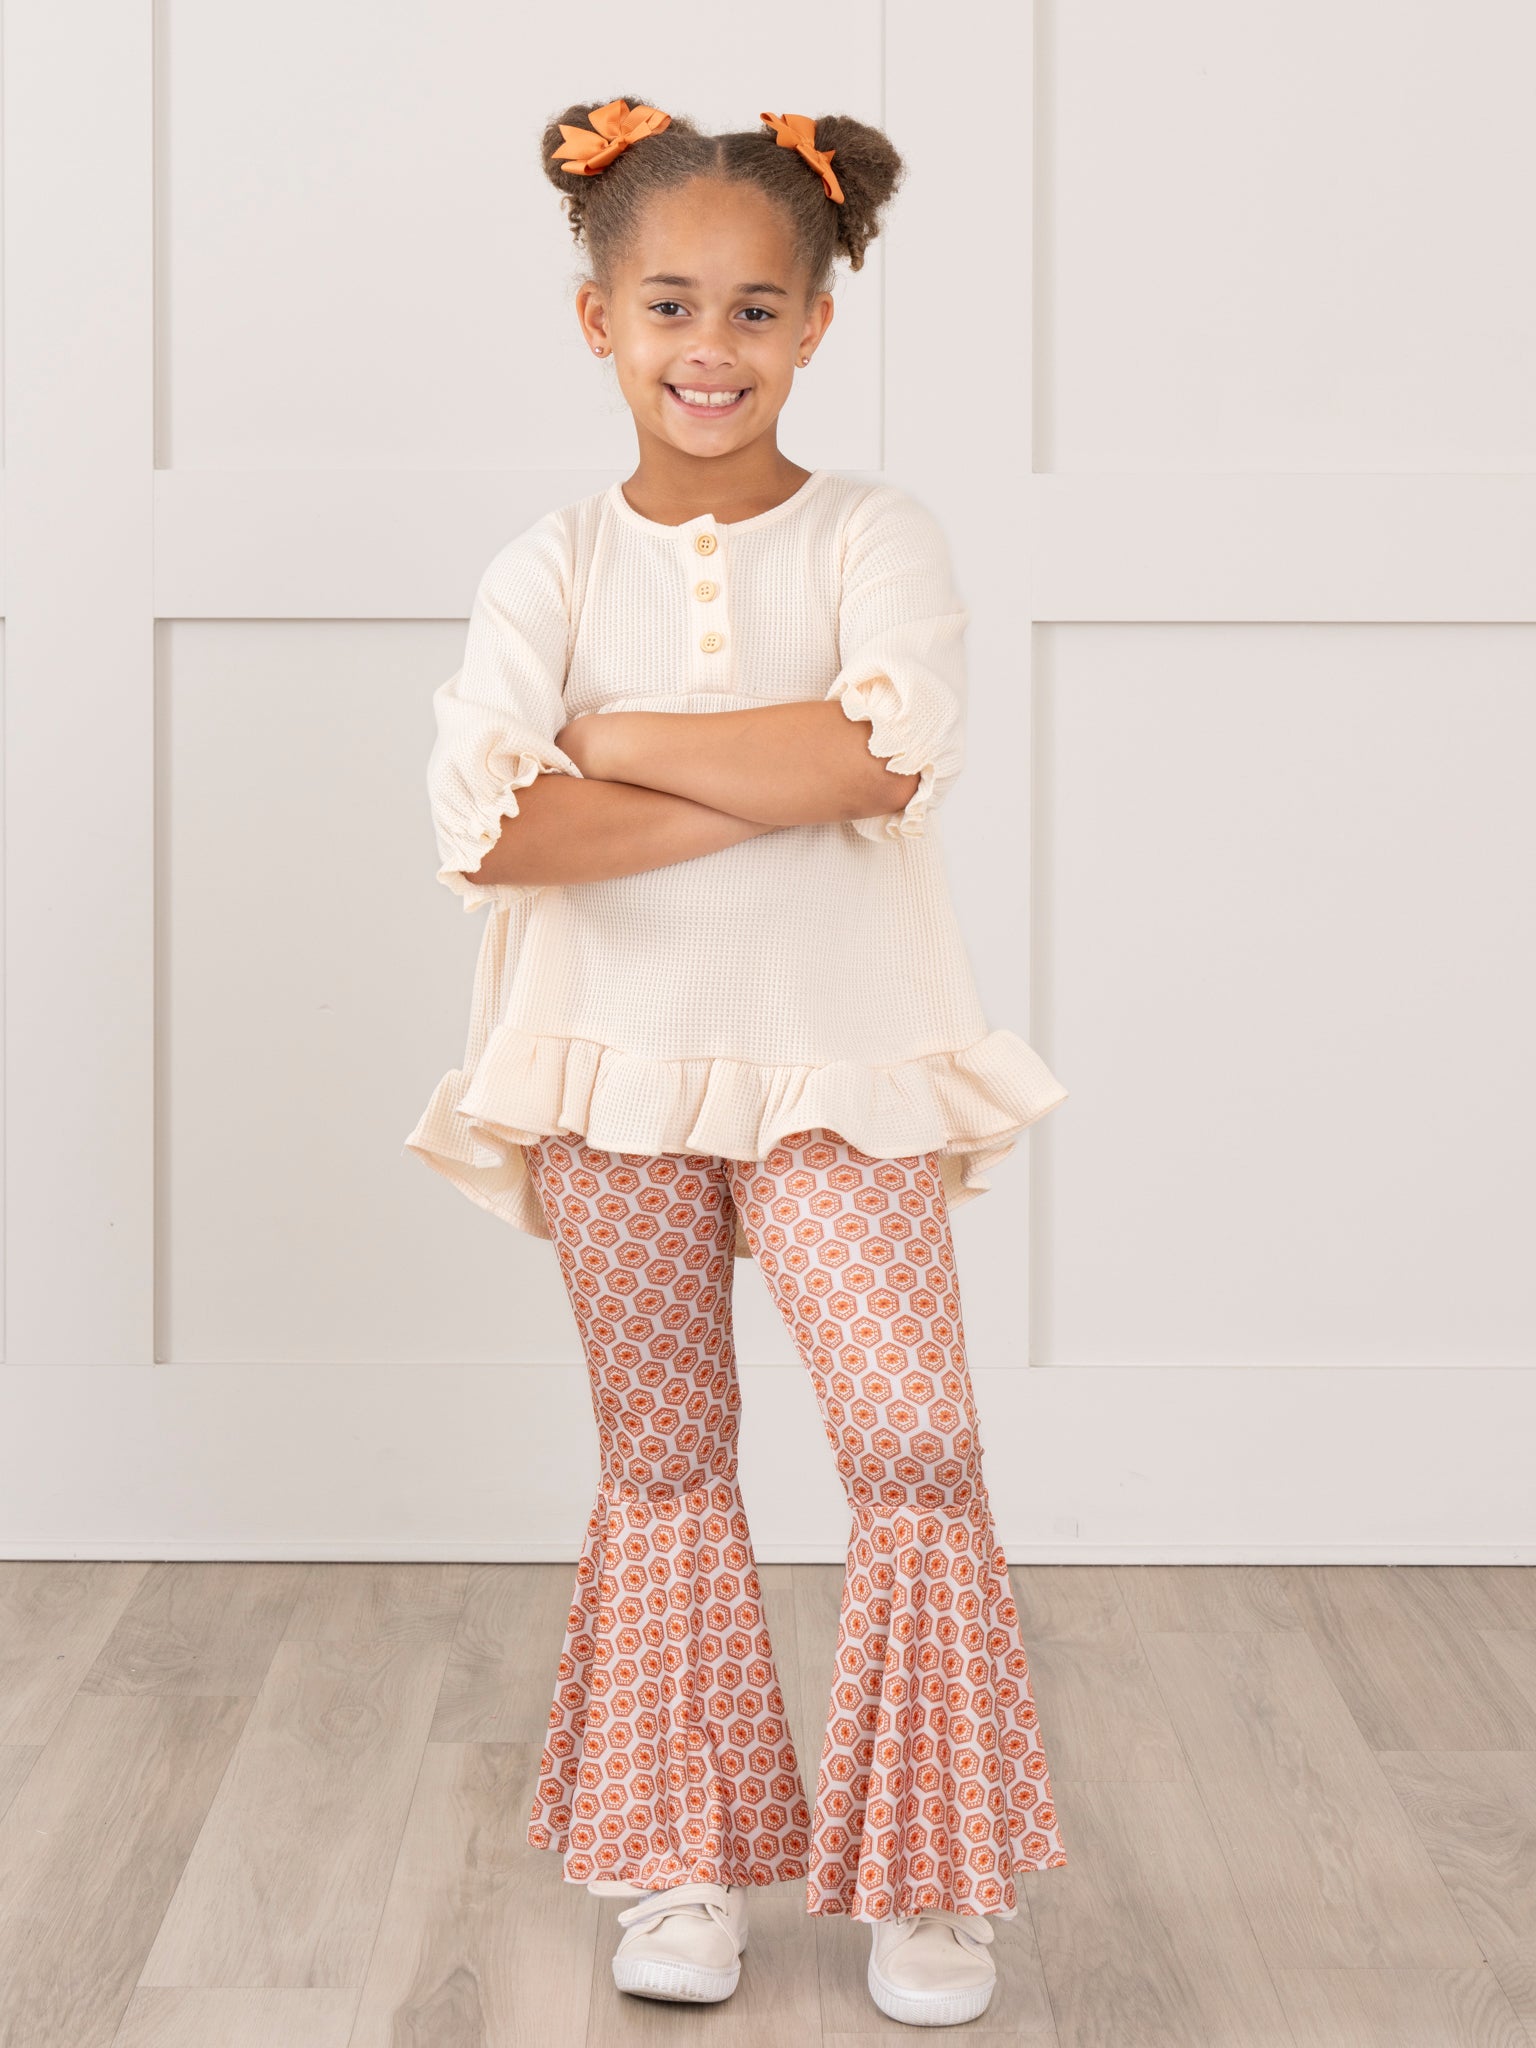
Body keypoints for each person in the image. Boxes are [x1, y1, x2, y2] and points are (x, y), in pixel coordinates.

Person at [402, 95, 1069, 2028]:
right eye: (671, 305)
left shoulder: (875, 535)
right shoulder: (548, 565)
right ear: (597, 319)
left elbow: (883, 755)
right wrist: (768, 776)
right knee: (669, 1459)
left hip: (843, 1058)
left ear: (816, 327)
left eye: (758, 310)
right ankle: (678, 1863)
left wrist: (614, 743)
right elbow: (492, 827)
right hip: (609, 1069)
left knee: (913, 1444)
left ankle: (932, 1877)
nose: (713, 347)